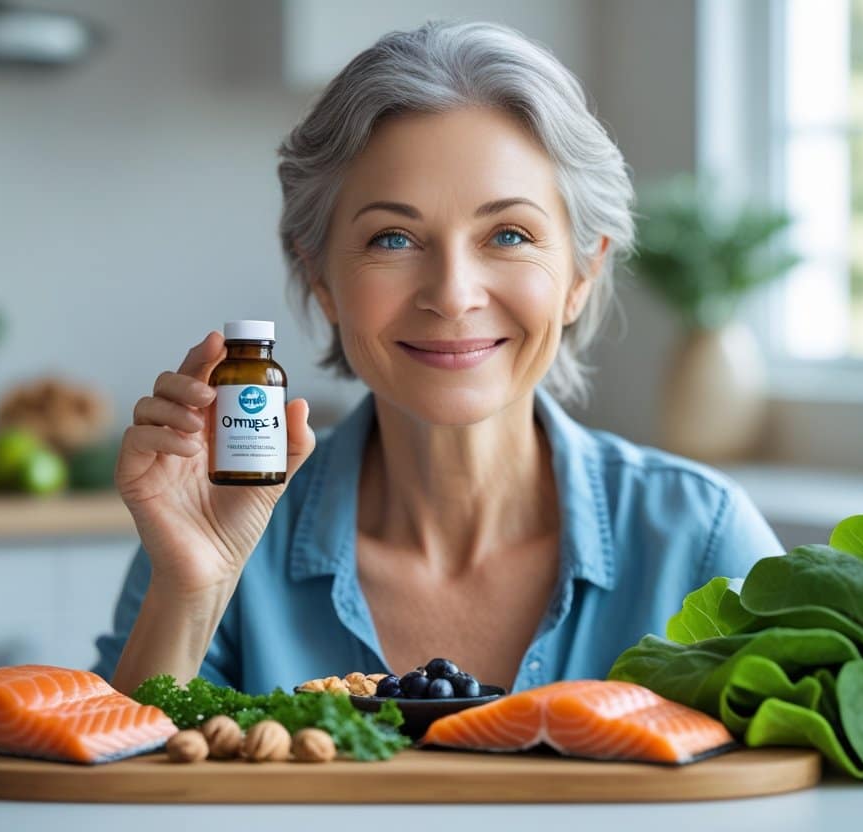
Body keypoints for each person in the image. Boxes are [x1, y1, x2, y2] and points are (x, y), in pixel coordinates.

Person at [94, 20, 782, 696]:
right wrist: (193, 588)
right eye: (393, 238)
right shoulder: (230, 524)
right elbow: (121, 801)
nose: (453, 296)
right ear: (321, 280)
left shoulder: (703, 540)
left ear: (582, 275)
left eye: (509, 233)